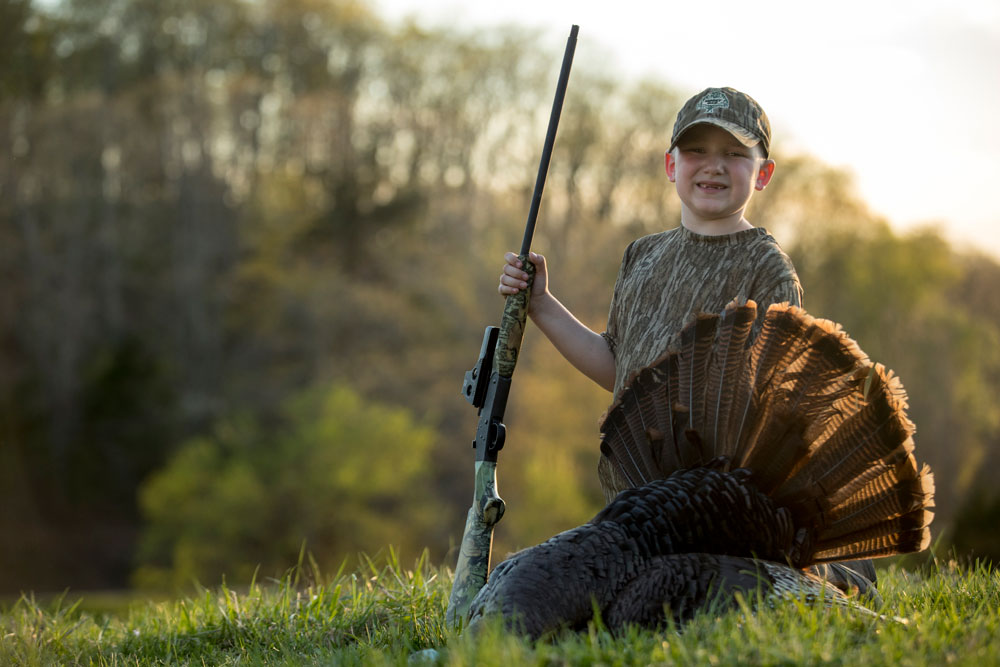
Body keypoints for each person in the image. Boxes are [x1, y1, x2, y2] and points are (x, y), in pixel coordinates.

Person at [499, 86, 877, 598]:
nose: (713, 167)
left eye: (735, 154)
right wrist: (542, 304)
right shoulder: (642, 256)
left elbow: (766, 418)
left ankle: (838, 573)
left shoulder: (767, 270)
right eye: (697, 151)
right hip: (639, 503)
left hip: (718, 510)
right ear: (670, 165)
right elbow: (619, 368)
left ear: (762, 174)